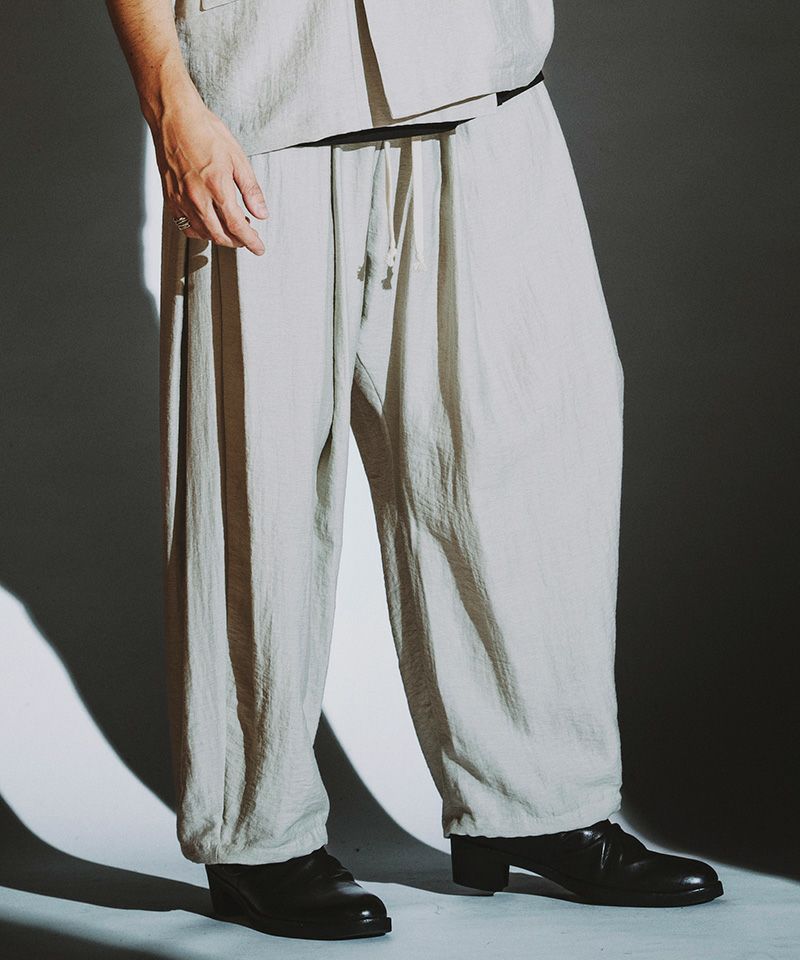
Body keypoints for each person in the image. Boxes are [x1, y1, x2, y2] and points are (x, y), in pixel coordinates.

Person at [105, 0, 724, 941]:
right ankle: (256, 836)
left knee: (533, 452)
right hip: (265, 106)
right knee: (254, 482)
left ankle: (538, 803)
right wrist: (172, 104)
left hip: (482, 84)